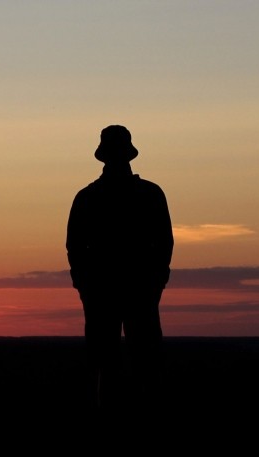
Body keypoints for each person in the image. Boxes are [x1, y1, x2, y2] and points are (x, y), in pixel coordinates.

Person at [66, 125, 174, 410]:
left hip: (125, 289)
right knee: (114, 361)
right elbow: (75, 247)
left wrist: (156, 279)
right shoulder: (146, 194)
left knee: (134, 359)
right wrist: (84, 283)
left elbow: (164, 243)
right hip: (115, 289)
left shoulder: (90, 197)